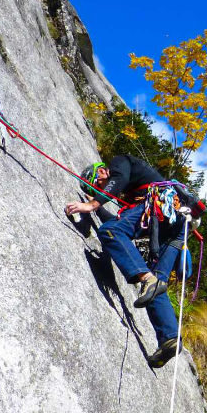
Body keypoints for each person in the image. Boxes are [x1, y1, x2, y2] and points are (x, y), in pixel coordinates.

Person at [65, 155, 191, 369]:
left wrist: (92, 204)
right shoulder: (135, 194)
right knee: (156, 286)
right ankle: (169, 338)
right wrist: (98, 208)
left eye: (98, 185)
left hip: (161, 206)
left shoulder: (120, 162)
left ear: (103, 172)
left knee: (110, 232)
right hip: (175, 230)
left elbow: (119, 179)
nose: (99, 189)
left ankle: (145, 278)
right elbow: (123, 223)